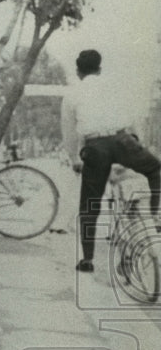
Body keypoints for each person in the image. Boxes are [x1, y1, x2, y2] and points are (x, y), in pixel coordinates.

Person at [60, 49, 160, 272]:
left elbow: (68, 132)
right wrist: (136, 142)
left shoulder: (72, 94)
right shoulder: (114, 87)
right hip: (122, 140)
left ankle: (87, 260)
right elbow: (131, 117)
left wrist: (75, 158)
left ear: (78, 72)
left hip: (95, 147)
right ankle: (154, 217)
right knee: (156, 170)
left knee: (89, 204)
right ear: (100, 69)